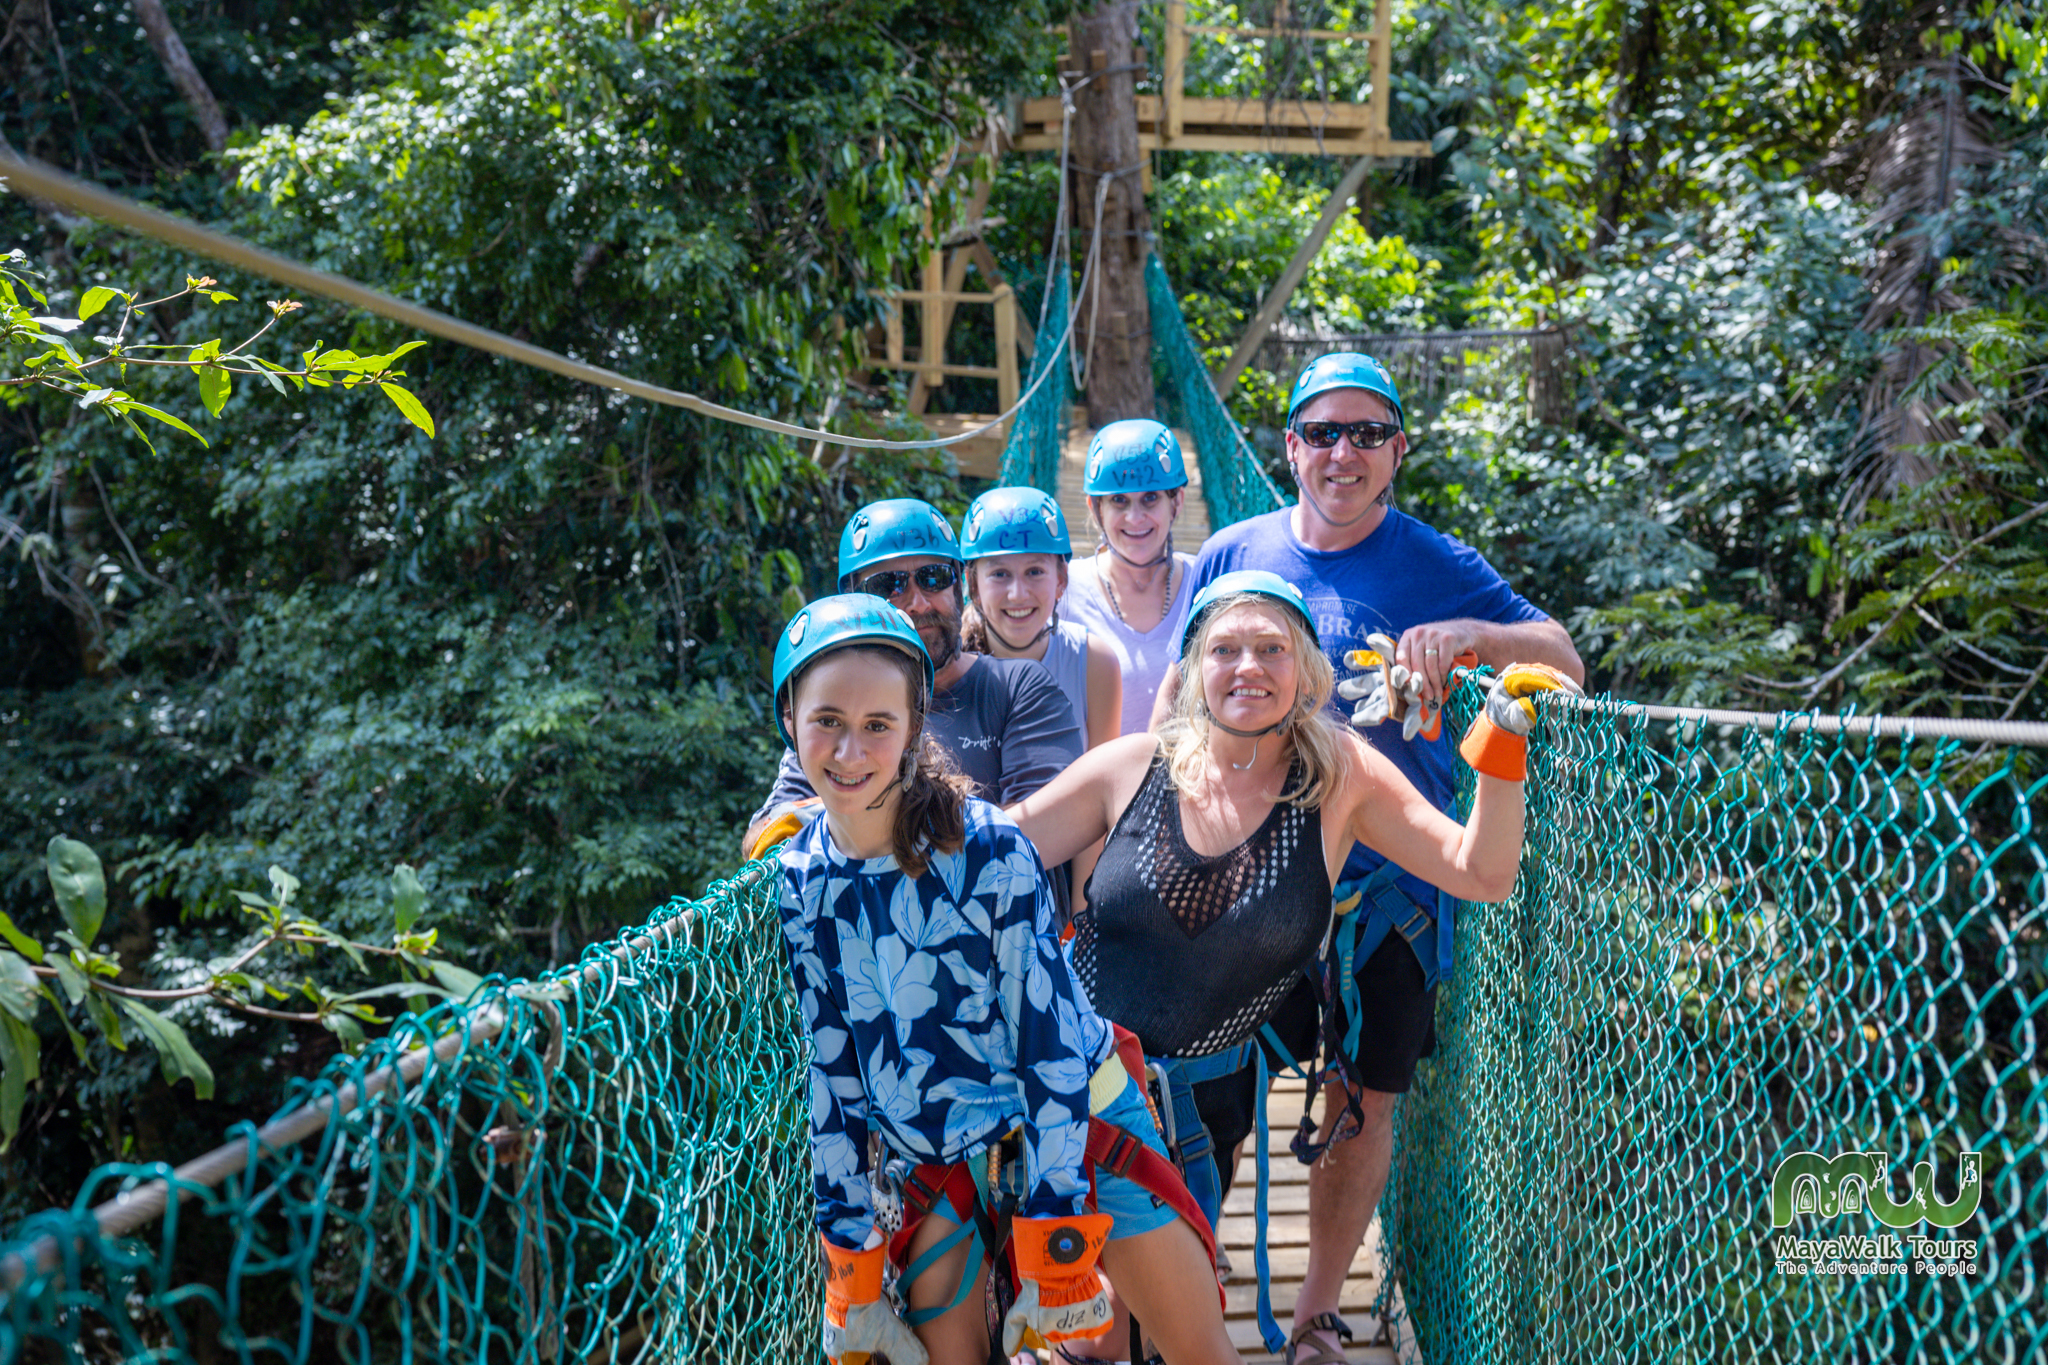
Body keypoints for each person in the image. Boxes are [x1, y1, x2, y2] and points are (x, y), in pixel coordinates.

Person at [1011, 570, 1574, 1362]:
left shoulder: (1339, 781)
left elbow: (1481, 871)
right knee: (1090, 1341)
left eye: (1271, 648)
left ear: (1307, 669)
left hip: (1203, 1115)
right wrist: (839, 818)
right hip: (1080, 1090)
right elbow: (993, 850)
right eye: (1225, 649)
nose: (1248, 666)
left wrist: (1500, 745)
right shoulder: (1130, 767)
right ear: (1193, 669)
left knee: (1145, 1337)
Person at [1152, 355, 1587, 1364]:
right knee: (1208, 1092)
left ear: (1397, 451)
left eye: (1363, 434)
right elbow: (1176, 701)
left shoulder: (1432, 560)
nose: (1339, 453)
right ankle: (1176, 1301)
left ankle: (1313, 1319)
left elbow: (1561, 663)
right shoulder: (1230, 552)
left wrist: (1469, 638)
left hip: (1391, 888)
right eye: (1319, 433)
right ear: (1287, 448)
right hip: (1248, 877)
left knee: (1362, 1101)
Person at [770, 594, 1239, 1365]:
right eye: (828, 721)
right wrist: (849, 1261)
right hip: (940, 1150)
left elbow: (1048, 1047)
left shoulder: (988, 851)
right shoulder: (799, 884)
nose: (850, 751)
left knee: (1201, 1352)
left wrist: (1056, 1243)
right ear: (791, 721)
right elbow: (834, 1077)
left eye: (878, 725)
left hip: (1079, 1121)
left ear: (916, 726)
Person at [742, 497, 1083, 859]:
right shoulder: (836, 708)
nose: (917, 603)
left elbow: (1045, 830)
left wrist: (858, 800)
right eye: (888, 586)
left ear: (959, 587)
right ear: (854, 601)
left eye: (933, 578)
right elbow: (764, 838)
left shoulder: (1018, 688)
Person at [1060, 420, 1199, 736]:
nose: (1135, 518)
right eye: (1119, 501)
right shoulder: (1060, 591)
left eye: (1150, 498)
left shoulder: (1204, 582)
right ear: (1096, 508)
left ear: (1176, 502)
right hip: (1093, 781)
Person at [959, 486, 1122, 751]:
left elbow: (1106, 783)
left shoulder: (1093, 662)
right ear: (973, 584)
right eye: (1000, 574)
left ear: (1061, 579)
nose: (1018, 594)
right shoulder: (947, 666)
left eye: (1034, 571)